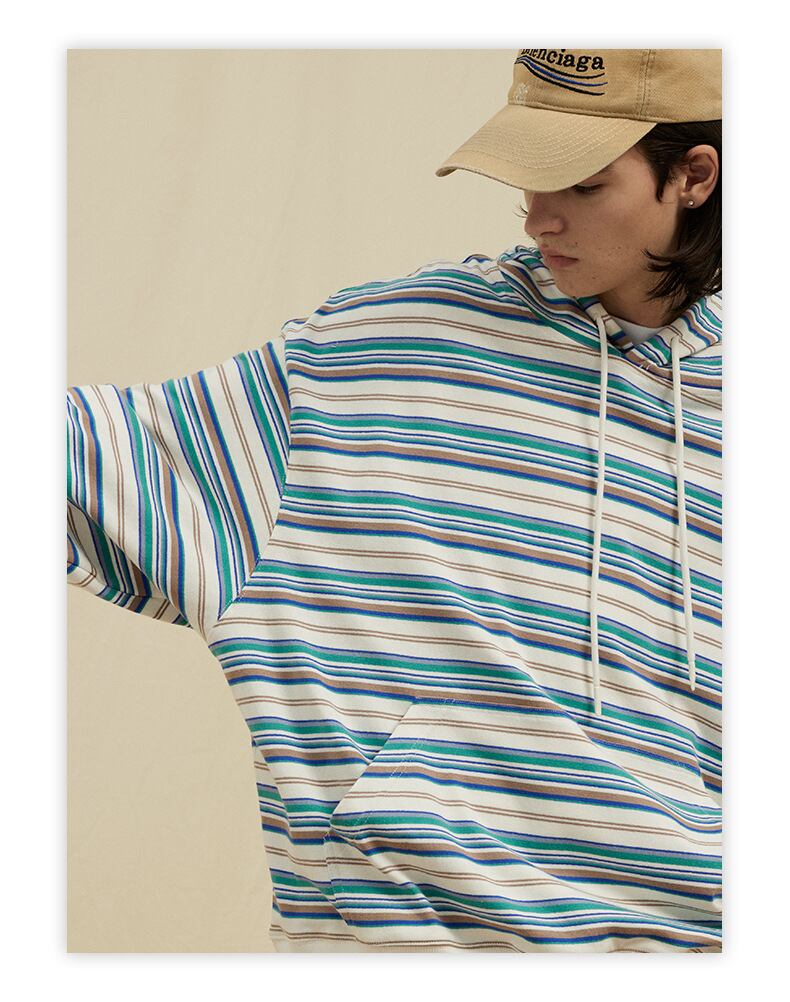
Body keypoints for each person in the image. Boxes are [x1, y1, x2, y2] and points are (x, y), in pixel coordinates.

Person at [67, 48, 722, 953]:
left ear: (693, 177)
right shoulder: (386, 355)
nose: (538, 215)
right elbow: (96, 451)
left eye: (580, 182)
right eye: (526, 175)